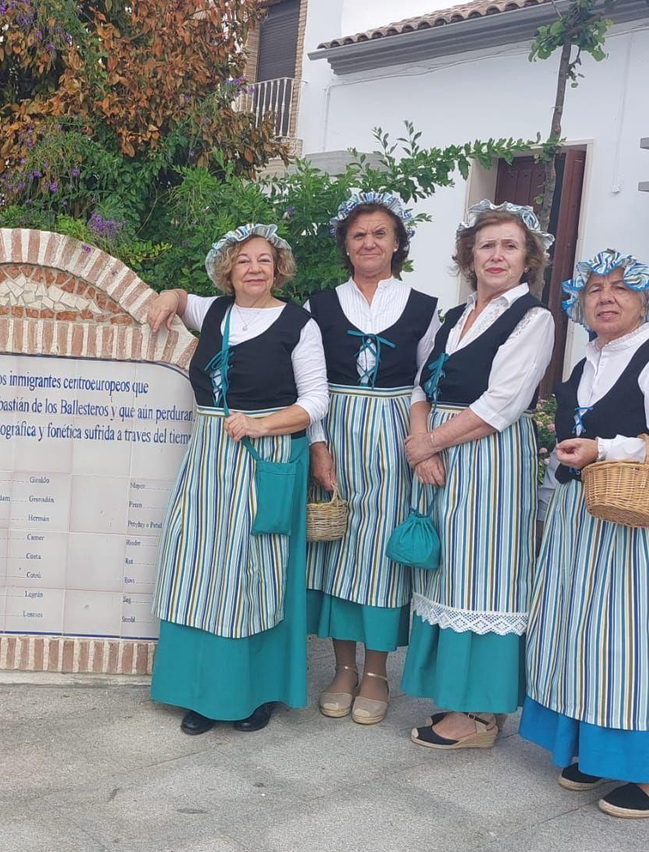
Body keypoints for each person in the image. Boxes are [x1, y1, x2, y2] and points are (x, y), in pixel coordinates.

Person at [521, 250, 649, 818]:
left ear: (645, 299)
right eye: (595, 288)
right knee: (577, 630)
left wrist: (606, 448)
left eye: (620, 288)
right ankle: (597, 752)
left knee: (628, 641)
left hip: (637, 522)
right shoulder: (587, 363)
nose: (605, 297)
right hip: (583, 515)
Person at [145, 224, 327, 735]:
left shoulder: (298, 324)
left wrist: (261, 424)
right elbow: (180, 300)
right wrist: (168, 295)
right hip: (207, 458)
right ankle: (200, 692)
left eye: (264, 260)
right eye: (243, 260)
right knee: (200, 568)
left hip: (262, 457)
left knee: (254, 574)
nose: (253, 268)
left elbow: (316, 401)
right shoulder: (215, 310)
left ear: (278, 269)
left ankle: (254, 692)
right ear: (228, 269)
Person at [401, 200, 555, 750]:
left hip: (488, 457)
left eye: (509, 246)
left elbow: (502, 404)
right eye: (486, 245)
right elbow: (423, 388)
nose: (496, 255)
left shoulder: (532, 319)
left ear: (527, 258)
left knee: (483, 570)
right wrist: (421, 450)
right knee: (446, 570)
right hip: (440, 454)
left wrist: (430, 442)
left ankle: (484, 715)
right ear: (469, 256)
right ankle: (456, 699)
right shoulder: (453, 317)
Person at [305, 192, 437, 725]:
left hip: (393, 437)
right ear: (346, 244)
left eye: (379, 233)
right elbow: (308, 382)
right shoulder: (319, 305)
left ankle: (377, 671)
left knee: (381, 555)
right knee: (336, 548)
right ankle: (342, 667)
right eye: (359, 234)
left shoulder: (425, 308)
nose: (369, 242)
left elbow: (427, 383)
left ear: (397, 242)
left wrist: (422, 442)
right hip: (337, 433)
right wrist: (317, 443)